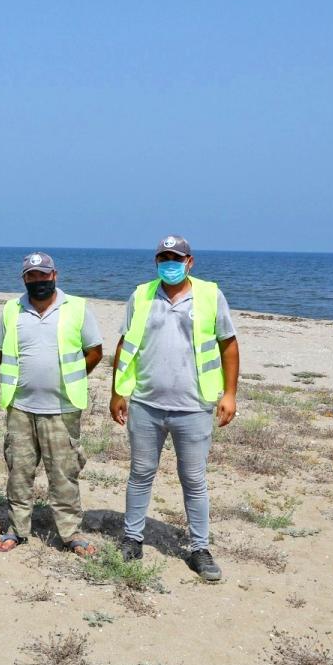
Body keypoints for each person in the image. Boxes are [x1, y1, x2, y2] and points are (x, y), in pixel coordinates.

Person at [109, 235, 239, 582]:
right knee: (140, 474)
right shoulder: (141, 295)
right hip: (146, 404)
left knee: (194, 480)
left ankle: (200, 548)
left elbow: (228, 345)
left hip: (194, 407)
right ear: (156, 262)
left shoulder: (210, 295)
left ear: (190, 261)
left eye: (176, 257)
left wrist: (229, 394)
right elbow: (124, 345)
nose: (170, 263)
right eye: (163, 257)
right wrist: (117, 392)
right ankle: (132, 539)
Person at [0, 252, 103, 556]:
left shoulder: (77, 308)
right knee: (19, 471)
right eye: (32, 276)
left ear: (55, 275)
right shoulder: (11, 310)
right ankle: (17, 529)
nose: (38, 281)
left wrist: (72, 377)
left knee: (64, 473)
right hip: (21, 407)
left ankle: (71, 534)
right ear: (24, 279)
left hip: (62, 407)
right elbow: (2, 353)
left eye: (44, 275)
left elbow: (95, 351)